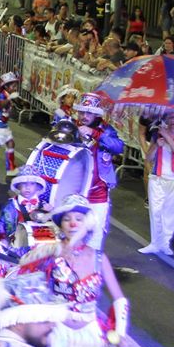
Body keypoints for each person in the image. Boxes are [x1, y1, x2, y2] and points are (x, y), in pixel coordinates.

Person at [19, 194, 129, 347]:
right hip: (55, 333)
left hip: (90, 336)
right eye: (67, 219)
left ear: (88, 224)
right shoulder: (50, 251)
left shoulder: (99, 258)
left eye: (79, 219)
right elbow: (22, 271)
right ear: (61, 225)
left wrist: (120, 332)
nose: (73, 224)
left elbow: (119, 299)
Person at [74, 91, 124, 250]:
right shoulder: (72, 126)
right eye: (82, 111)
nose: (84, 116)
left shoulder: (106, 130)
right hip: (74, 189)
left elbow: (118, 147)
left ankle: (92, 270)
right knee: (71, 234)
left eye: (89, 112)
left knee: (95, 236)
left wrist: (95, 134)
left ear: (96, 114)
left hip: (98, 192)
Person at [139, 109, 174, 255]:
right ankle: (155, 242)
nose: (173, 120)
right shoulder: (157, 135)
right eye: (170, 117)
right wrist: (156, 144)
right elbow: (148, 158)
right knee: (155, 209)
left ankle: (165, 243)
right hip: (157, 176)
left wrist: (167, 137)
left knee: (170, 211)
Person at [0, 166, 52, 243]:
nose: (27, 187)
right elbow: (1, 224)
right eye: (24, 184)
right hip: (17, 244)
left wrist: (50, 214)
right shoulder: (12, 205)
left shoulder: (44, 205)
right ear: (18, 186)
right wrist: (3, 239)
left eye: (32, 184)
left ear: (37, 187)